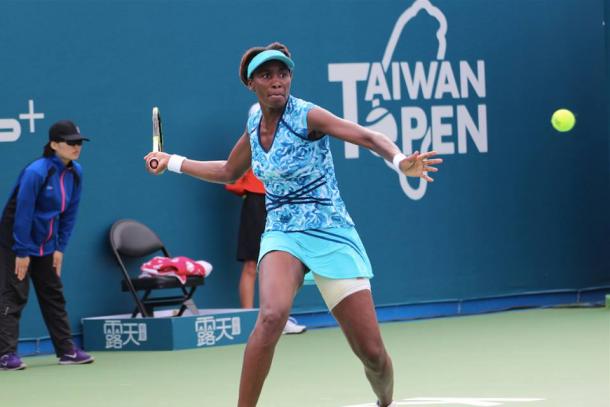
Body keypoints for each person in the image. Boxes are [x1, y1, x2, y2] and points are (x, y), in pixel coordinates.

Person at [145, 42, 442, 407]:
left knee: (373, 355)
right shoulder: (254, 123)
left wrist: (399, 161)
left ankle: (385, 402)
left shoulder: (308, 116)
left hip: (331, 232)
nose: (277, 81)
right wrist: (172, 160)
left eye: (283, 73)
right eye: (267, 75)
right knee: (270, 317)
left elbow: (367, 135)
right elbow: (228, 170)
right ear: (251, 83)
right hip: (282, 233)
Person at [0, 120, 94, 370]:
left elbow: (69, 212)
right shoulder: (37, 171)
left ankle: (66, 352)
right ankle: (5, 354)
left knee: (53, 294)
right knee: (15, 294)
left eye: (79, 143)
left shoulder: (76, 172)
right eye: (70, 143)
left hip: (46, 243)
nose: (76, 147)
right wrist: (21, 250)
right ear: (54, 145)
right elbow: (23, 212)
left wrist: (60, 247)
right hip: (15, 240)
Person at [225, 167, 306, 334]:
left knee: (283, 264)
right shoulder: (254, 140)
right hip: (256, 199)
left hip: (283, 199)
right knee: (251, 264)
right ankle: (248, 322)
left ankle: (279, 320)